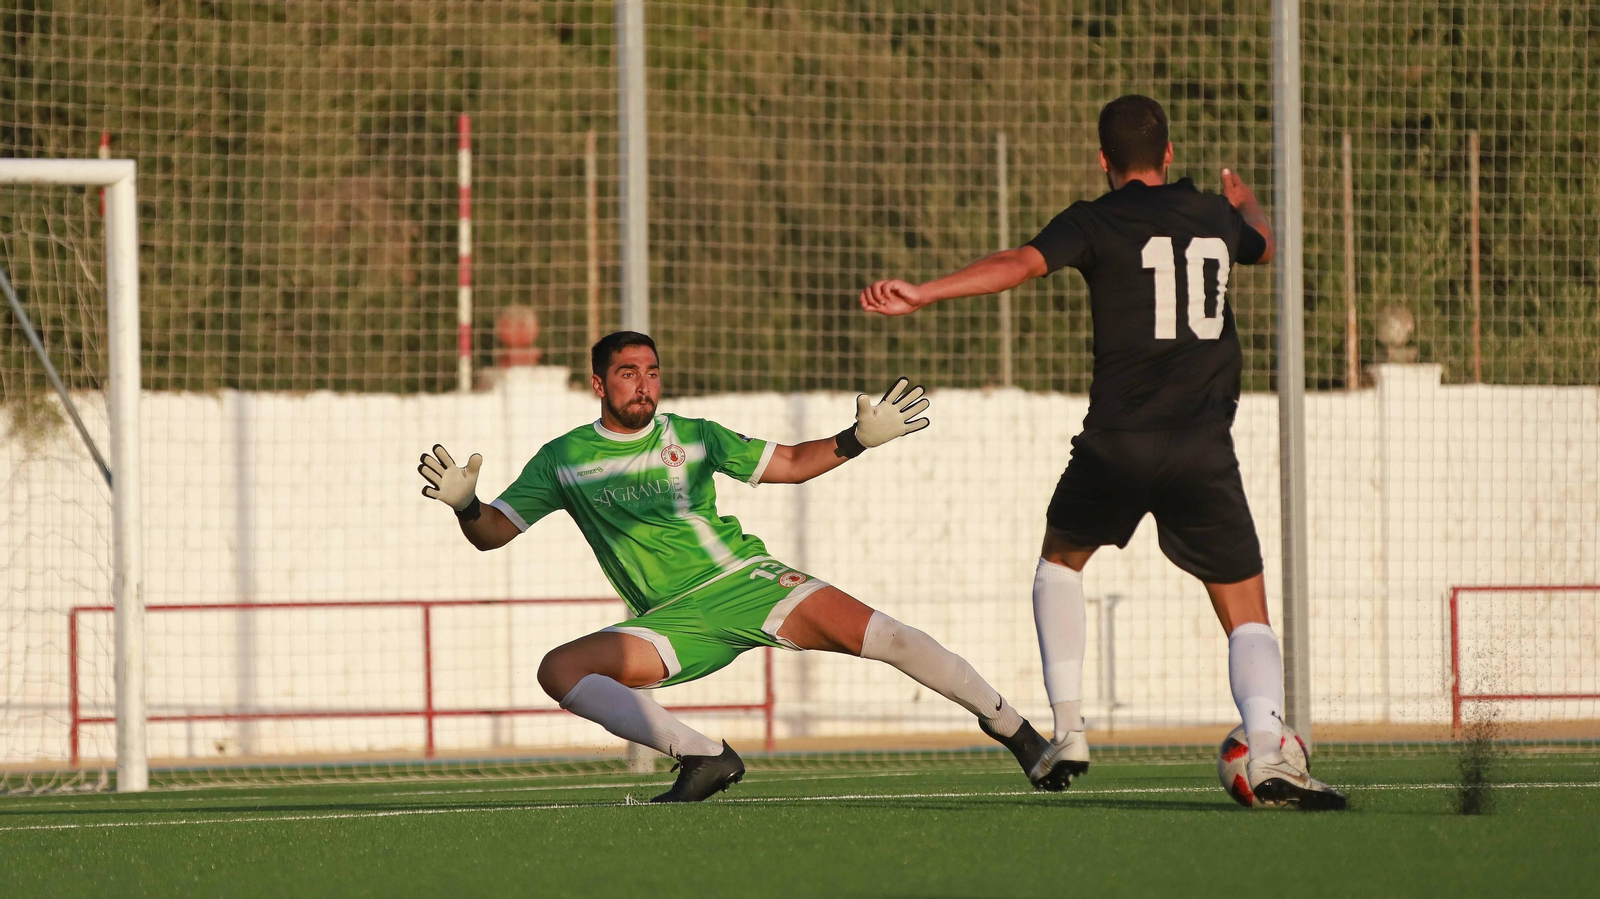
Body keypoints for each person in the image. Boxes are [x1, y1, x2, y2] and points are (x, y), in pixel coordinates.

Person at [858, 95, 1345, 809]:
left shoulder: (1093, 219)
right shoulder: (1214, 213)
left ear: (1103, 160)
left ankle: (1070, 727)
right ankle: (1269, 747)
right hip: (1203, 446)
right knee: (1246, 610)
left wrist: (925, 292)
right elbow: (1265, 245)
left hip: (1117, 441)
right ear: (1170, 154)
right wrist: (1248, 204)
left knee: (1060, 562)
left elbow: (1018, 263)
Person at [417, 330, 1076, 802]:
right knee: (557, 668)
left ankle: (1020, 736)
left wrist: (855, 440)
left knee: (891, 638)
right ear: (598, 383)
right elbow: (493, 533)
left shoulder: (695, 435)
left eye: (650, 370)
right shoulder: (562, 457)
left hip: (746, 582)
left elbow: (788, 462)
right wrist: (467, 504)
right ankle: (705, 757)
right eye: (626, 372)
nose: (642, 383)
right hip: (673, 621)